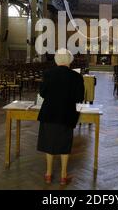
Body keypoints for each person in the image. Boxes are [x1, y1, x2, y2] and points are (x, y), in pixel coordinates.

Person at [37, 48, 85, 185]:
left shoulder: (48, 74)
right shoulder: (76, 77)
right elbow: (79, 97)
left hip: (49, 113)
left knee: (49, 143)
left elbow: (42, 93)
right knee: (65, 144)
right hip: (66, 114)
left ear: (57, 60)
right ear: (69, 60)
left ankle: (48, 174)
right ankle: (63, 176)